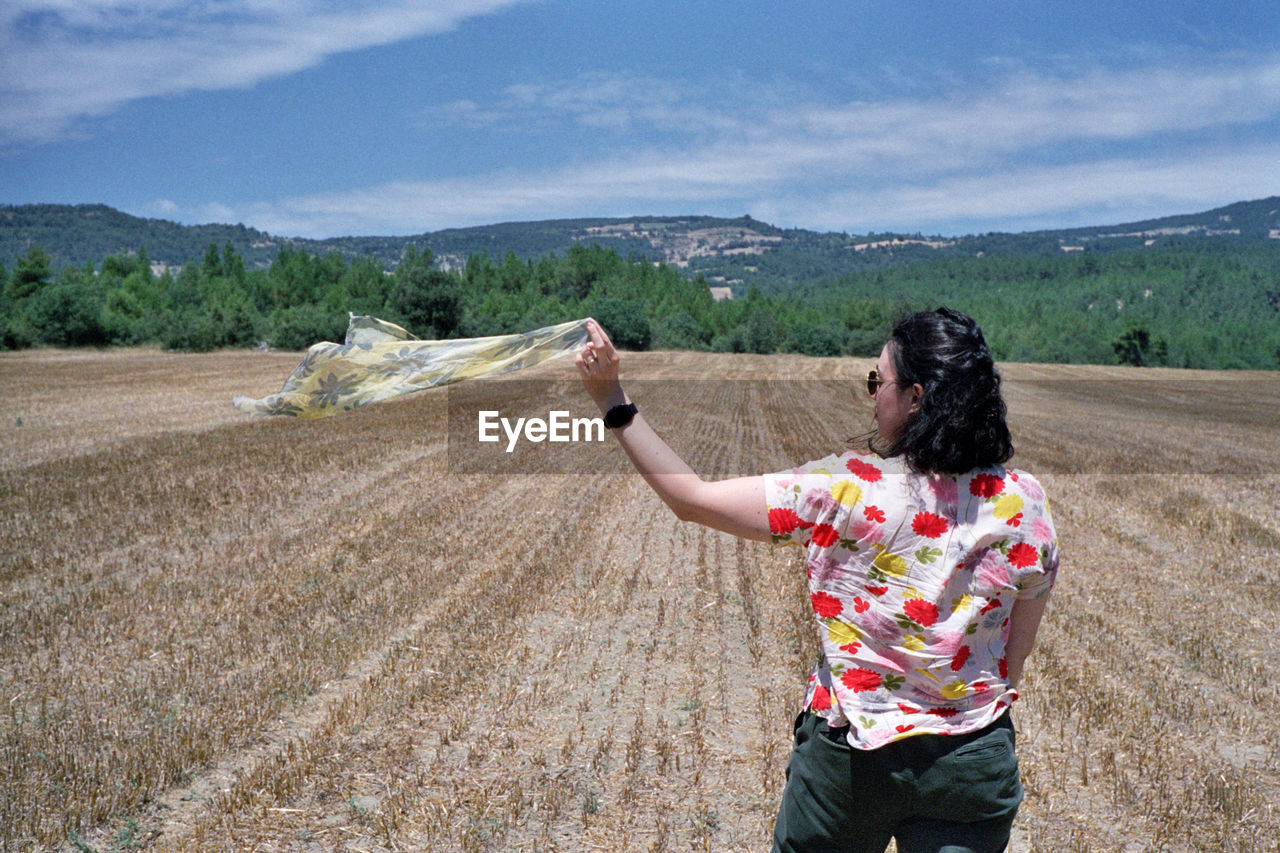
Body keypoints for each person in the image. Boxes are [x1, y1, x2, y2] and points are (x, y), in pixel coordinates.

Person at [576, 307, 1059, 853]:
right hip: (974, 760)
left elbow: (691, 498)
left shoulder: (845, 488)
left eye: (879, 381)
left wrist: (611, 398)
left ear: (917, 398)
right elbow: (1014, 656)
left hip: (850, 761)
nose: (872, 395)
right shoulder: (1026, 501)